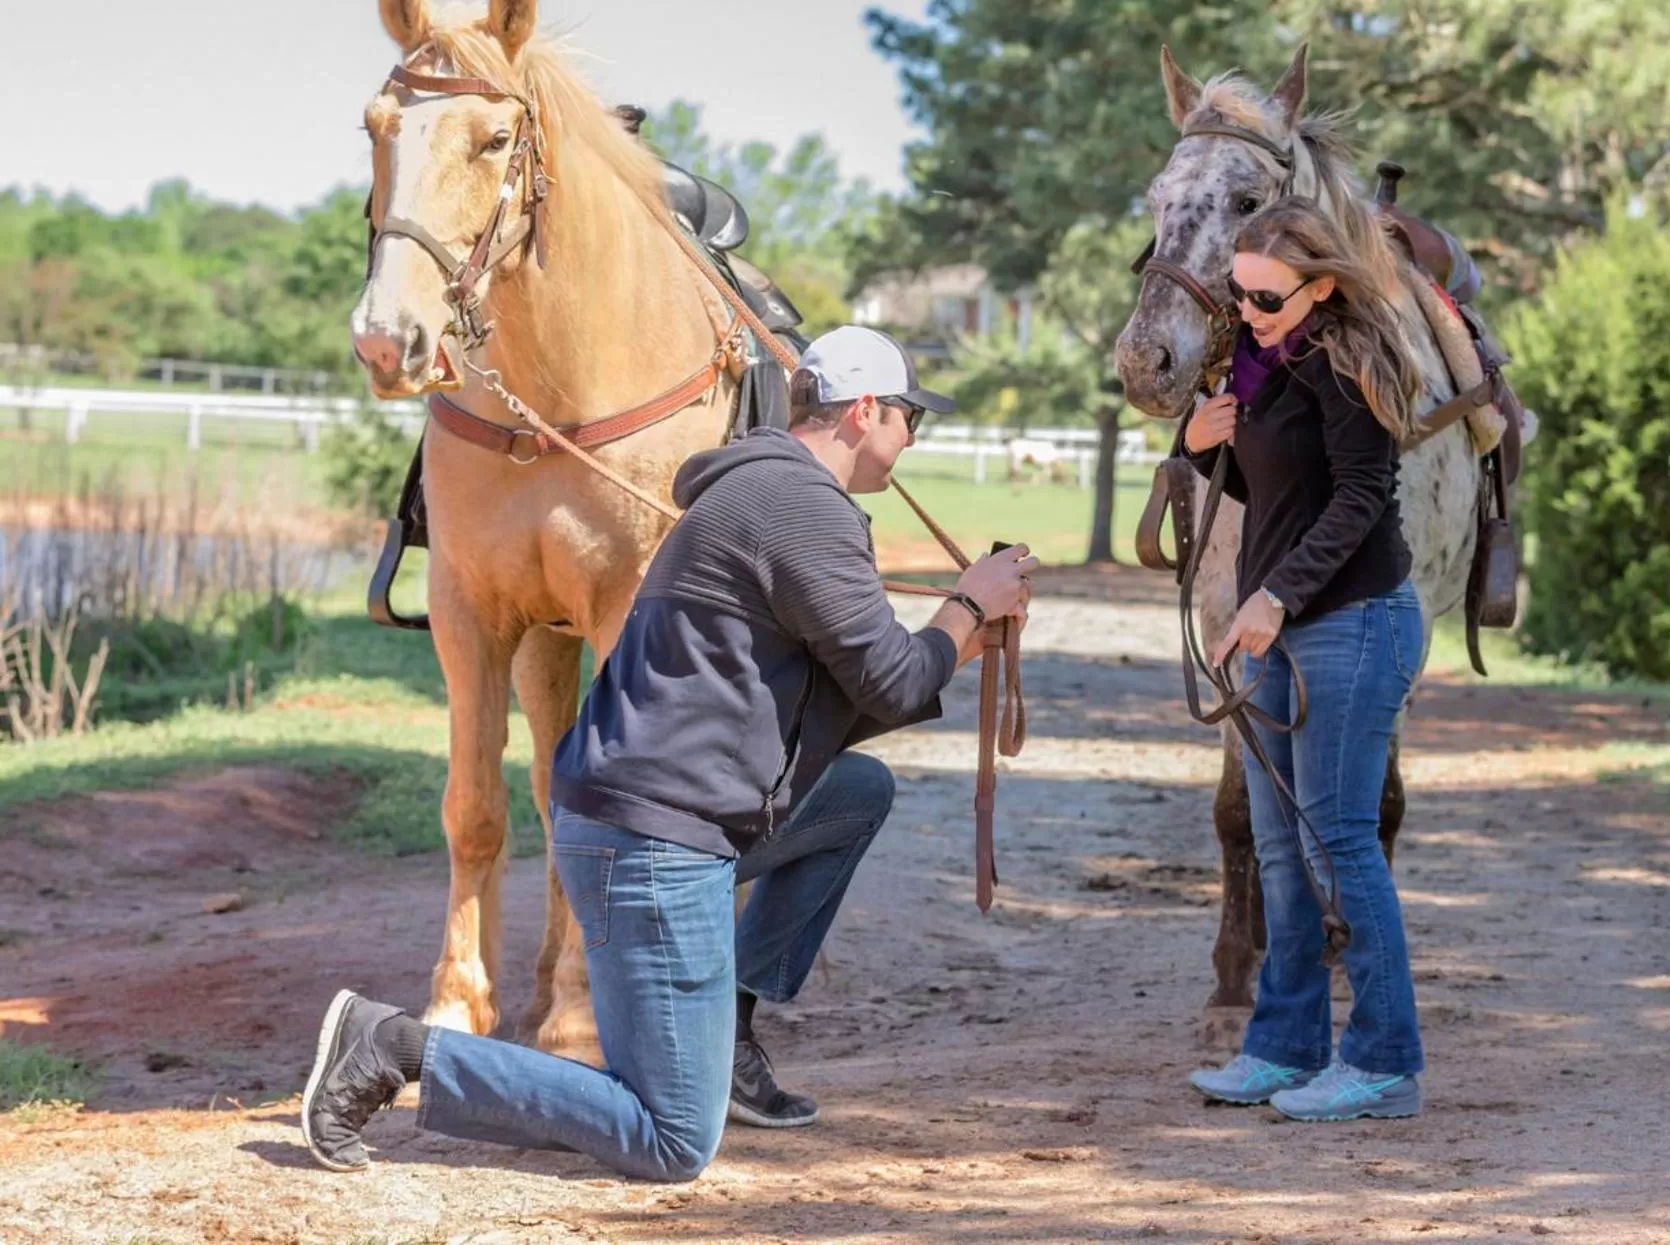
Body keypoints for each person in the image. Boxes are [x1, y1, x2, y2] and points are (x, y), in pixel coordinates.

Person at [300, 325, 1037, 1179]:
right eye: (910, 416)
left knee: (856, 791)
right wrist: (963, 609)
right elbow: (896, 679)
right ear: (864, 410)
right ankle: (396, 1048)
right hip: (653, 842)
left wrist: (966, 638)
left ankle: (726, 1023)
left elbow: (843, 700)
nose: (912, 436)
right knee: (672, 1138)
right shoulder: (805, 508)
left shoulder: (762, 491)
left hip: (640, 821)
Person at [1182, 194, 1430, 1122]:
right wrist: (1204, 447)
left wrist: (1274, 596)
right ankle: (1284, 1045)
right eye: (1239, 296)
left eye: (1268, 299)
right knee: (1281, 850)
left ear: (1323, 287)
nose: (1248, 313)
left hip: (1353, 621)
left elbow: (1361, 494)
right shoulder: (1263, 359)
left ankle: (1384, 1062)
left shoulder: (1348, 362)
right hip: (1281, 630)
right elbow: (1277, 490)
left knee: (1341, 845)